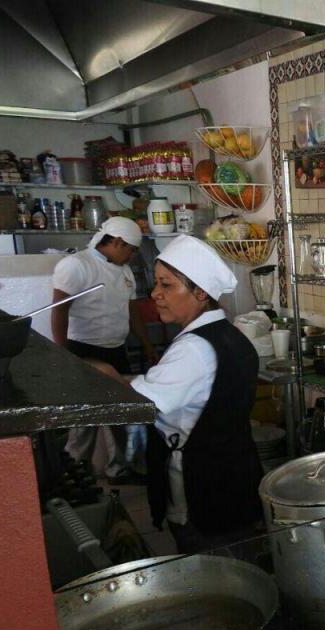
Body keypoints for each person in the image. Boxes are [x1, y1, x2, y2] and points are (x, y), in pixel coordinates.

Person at [127, 235, 264, 554]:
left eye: (167, 285)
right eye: (156, 283)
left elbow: (138, 404)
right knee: (240, 567)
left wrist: (106, 375)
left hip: (205, 492)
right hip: (236, 477)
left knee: (215, 571)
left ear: (201, 292)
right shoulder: (230, 335)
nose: (155, 293)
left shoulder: (193, 349)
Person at [51, 216, 157, 483]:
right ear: (118, 242)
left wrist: (147, 346)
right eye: (131, 250)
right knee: (85, 416)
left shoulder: (124, 271)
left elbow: (132, 313)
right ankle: (74, 472)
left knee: (121, 412)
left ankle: (119, 469)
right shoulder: (76, 265)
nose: (133, 256)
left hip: (116, 349)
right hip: (83, 348)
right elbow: (59, 310)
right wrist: (62, 354)